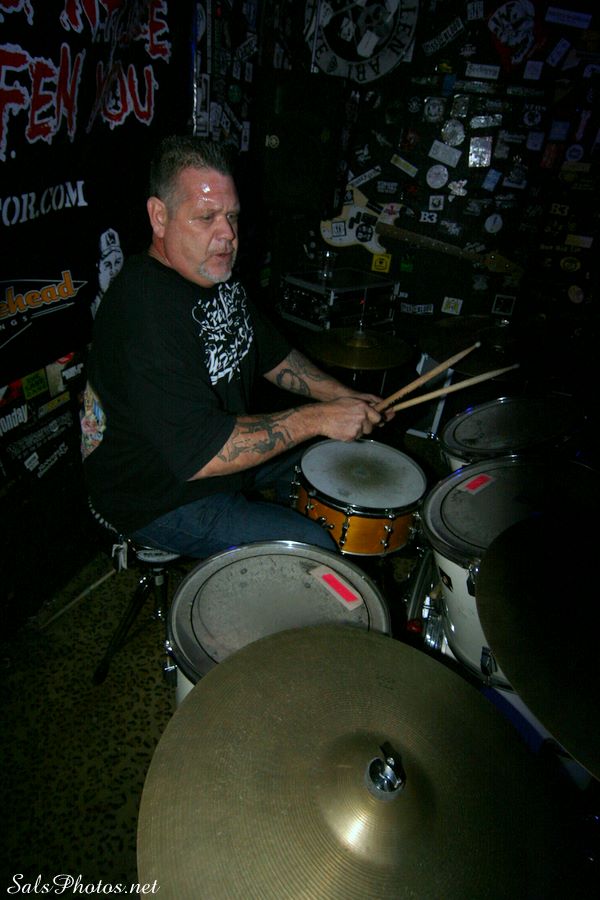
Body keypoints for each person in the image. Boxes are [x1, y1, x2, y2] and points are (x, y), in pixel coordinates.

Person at [81, 134, 390, 559]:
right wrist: (319, 417)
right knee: (313, 548)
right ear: (159, 216)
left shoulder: (213, 275)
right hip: (158, 496)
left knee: (341, 459)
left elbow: (273, 354)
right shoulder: (144, 311)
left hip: (215, 458)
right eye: (206, 217)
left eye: (231, 216)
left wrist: (342, 397)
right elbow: (203, 452)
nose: (227, 233)